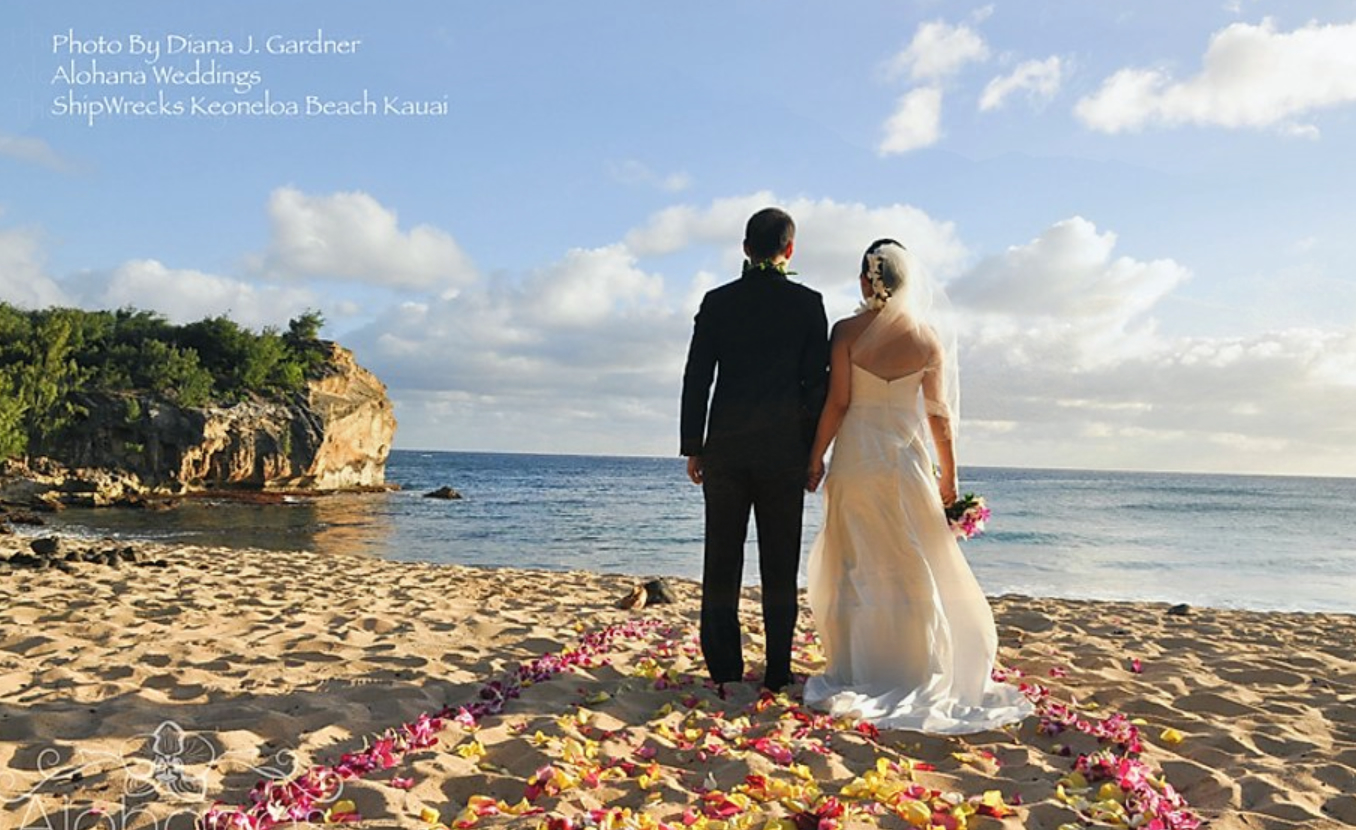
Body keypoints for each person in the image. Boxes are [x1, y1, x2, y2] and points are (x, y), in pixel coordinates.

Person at [802, 239, 1031, 733]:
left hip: (858, 459)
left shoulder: (845, 332)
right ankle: (916, 664)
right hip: (905, 462)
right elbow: (938, 417)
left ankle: (864, 667)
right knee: (912, 565)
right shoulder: (928, 340)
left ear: (868, 279)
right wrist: (950, 475)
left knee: (857, 561)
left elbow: (838, 403)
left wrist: (816, 456)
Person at [680, 207, 829, 691]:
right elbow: (817, 386)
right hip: (784, 450)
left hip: (725, 447)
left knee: (721, 558)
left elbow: (698, 377)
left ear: (746, 248)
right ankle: (779, 668)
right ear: (790, 249)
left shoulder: (718, 301)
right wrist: (812, 452)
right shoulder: (808, 304)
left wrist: (693, 446)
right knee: (779, 560)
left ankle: (724, 667)